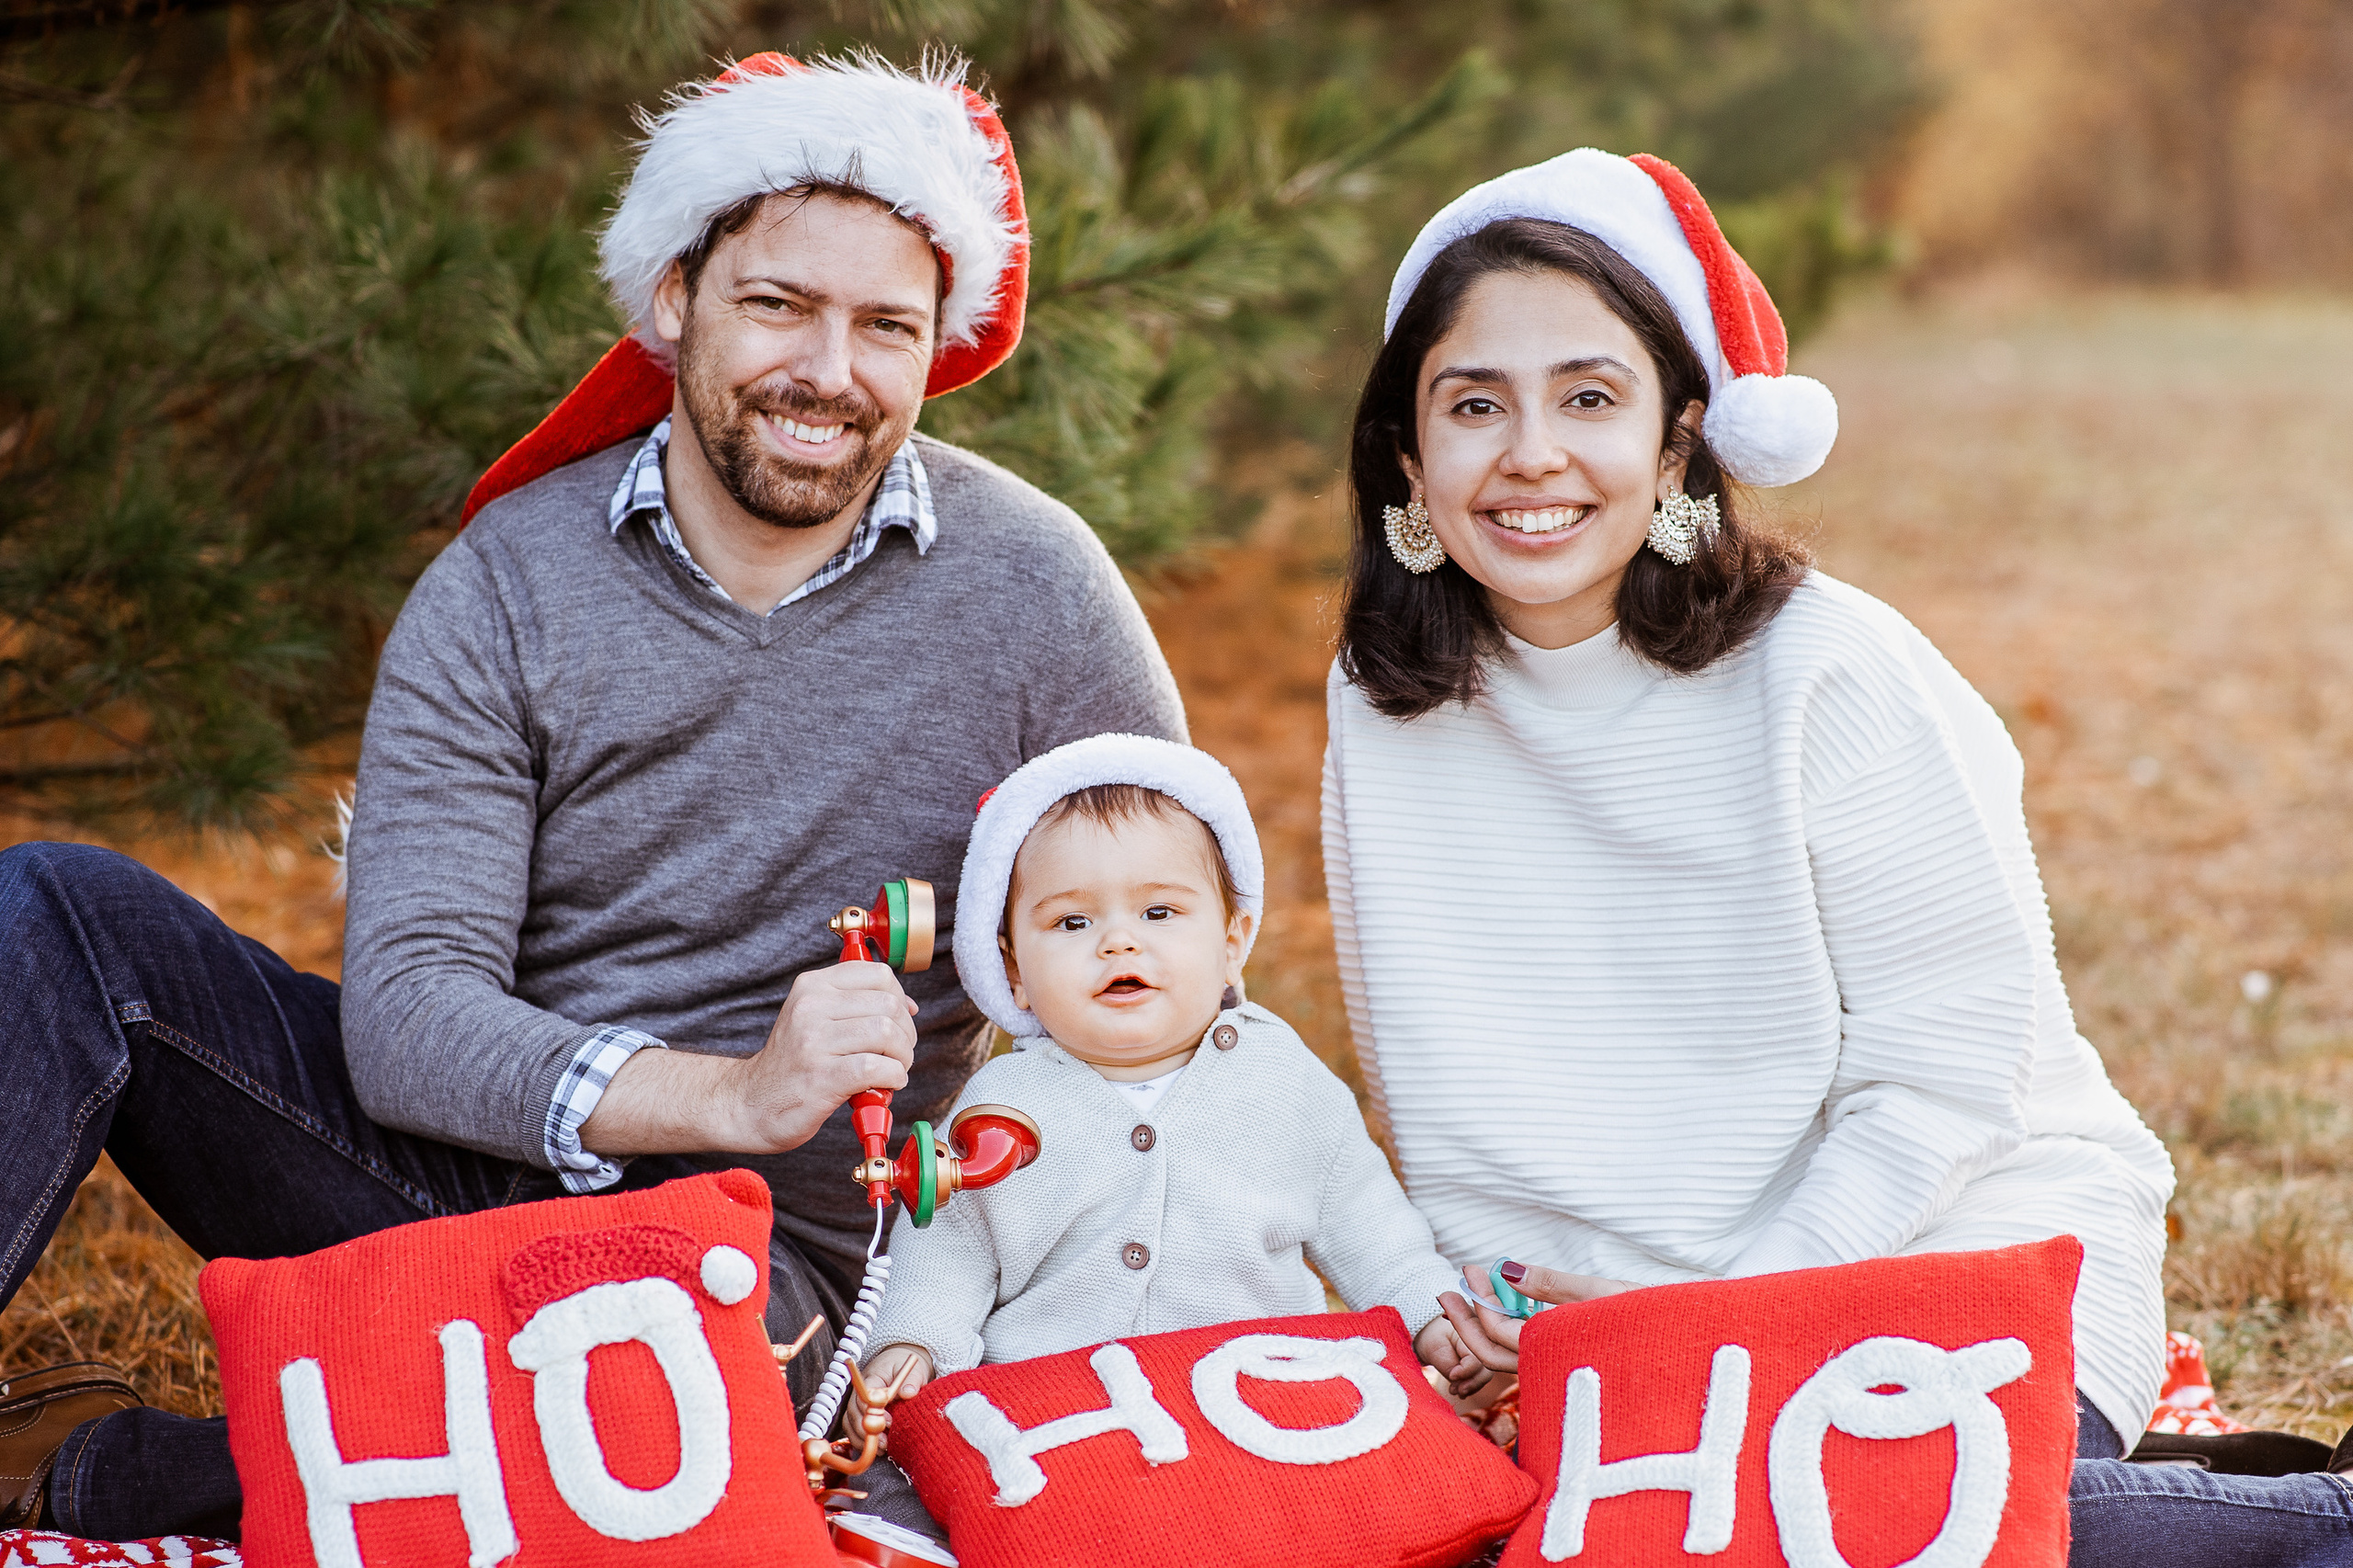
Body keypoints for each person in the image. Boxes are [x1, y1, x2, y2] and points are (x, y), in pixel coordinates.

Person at [0, 52, 1183, 1541]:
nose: (831, 370)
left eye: (886, 324)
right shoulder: (510, 581)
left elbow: (1174, 967)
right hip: (462, 1175)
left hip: (777, 1289)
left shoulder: (1038, 592)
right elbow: (415, 1021)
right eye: (779, 306)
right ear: (675, 298)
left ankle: (113, 1471)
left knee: (682, 1422)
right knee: (65, 912)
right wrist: (737, 1094)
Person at [1317, 148, 2353, 1561]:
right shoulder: (1385, 703)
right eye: (1475, 404)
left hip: (1948, 1242)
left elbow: (1945, 1080)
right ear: (1406, 451)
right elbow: (1446, 1087)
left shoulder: (1827, 668)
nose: (1532, 454)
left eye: (1591, 398)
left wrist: (1721, 1336)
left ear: (1681, 440)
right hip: (1595, 1313)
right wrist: (1496, 1313)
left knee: (1824, 1532)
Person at [845, 733, 1486, 1536]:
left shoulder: (1282, 1081)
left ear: (1231, 941)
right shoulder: (1005, 1103)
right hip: (1066, 1419)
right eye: (1072, 921)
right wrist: (916, 1341)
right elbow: (947, 1246)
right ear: (1012, 970)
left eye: (1159, 912)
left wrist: (1431, 1315)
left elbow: (1370, 1227)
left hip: (1254, 1411)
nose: (1119, 941)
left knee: (1354, 1514)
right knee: (961, 1515)